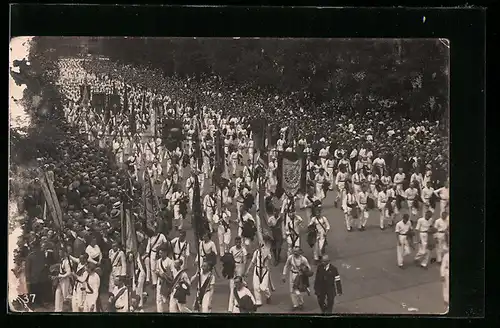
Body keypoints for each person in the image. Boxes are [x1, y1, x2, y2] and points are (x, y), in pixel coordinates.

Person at [282, 246, 311, 311]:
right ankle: (295, 305)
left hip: (300, 276)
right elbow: (286, 266)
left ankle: (301, 303)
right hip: (292, 274)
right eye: (294, 251)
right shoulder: (290, 258)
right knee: (292, 290)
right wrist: (284, 274)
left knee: (300, 291)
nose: (295, 253)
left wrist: (304, 270)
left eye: (296, 251)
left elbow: (309, 268)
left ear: (299, 252)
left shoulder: (303, 259)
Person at [245, 243, 273, 307]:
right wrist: (247, 270)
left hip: (264, 270)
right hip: (257, 269)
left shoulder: (267, 252)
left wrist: (265, 252)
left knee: (263, 287)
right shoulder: (256, 252)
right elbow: (252, 262)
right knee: (256, 286)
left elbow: (269, 258)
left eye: (263, 247)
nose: (261, 248)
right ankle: (258, 301)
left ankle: (268, 295)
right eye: (260, 246)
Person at [155, 246, 174, 313]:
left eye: (161, 253)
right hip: (159, 282)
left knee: (166, 299)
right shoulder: (158, 261)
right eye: (159, 253)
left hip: (166, 283)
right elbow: (156, 270)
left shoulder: (170, 261)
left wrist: (165, 275)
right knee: (158, 300)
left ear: (165, 253)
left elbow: (172, 273)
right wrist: (158, 273)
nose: (160, 254)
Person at [53, 248, 72, 312]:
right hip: (60, 280)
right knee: (58, 293)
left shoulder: (67, 262)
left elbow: (69, 273)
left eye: (60, 252)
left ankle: (76, 305)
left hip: (65, 280)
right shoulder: (62, 260)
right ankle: (58, 310)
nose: (59, 254)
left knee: (66, 296)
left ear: (64, 253)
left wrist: (60, 276)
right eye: (59, 252)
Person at [440, 246, 449, 311]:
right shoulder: (446, 255)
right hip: (447, 273)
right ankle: (446, 300)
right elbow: (443, 265)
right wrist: (442, 275)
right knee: (446, 287)